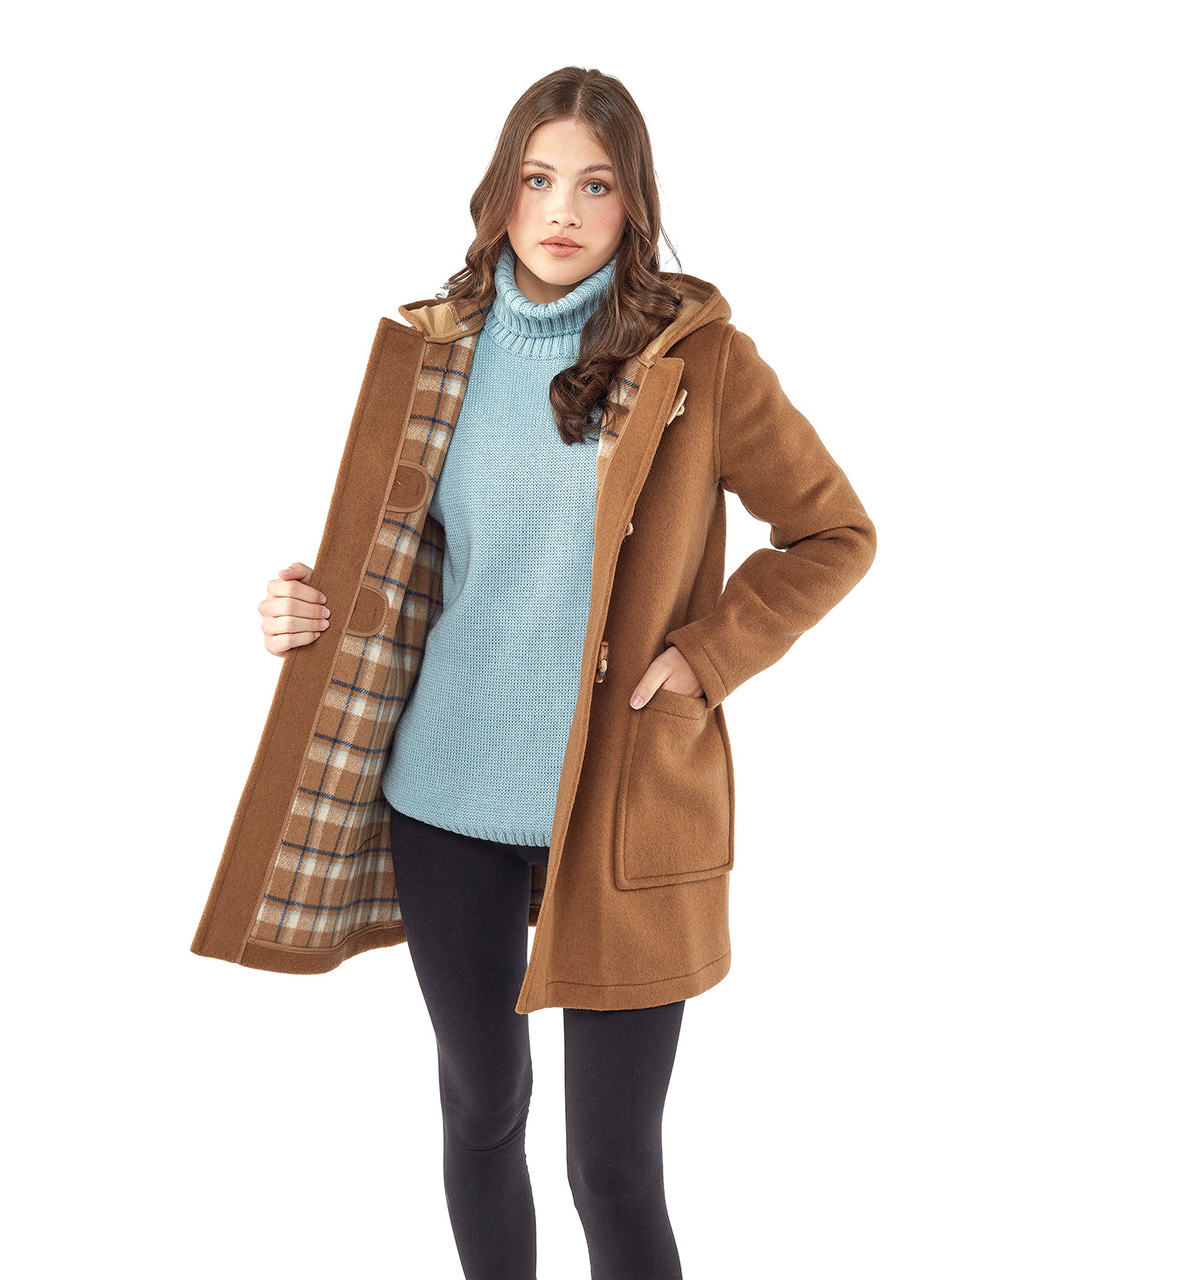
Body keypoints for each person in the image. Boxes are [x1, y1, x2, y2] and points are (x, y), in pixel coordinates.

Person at [192, 66, 876, 1280]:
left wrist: (705, 656)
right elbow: (394, 563)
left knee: (611, 1165)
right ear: (499, 192)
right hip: (446, 792)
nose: (561, 210)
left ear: (633, 203)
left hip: (625, 806)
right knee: (481, 1108)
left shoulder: (700, 361)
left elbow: (832, 532)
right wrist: (302, 607)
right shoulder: (430, 353)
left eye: (594, 185)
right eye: (537, 178)